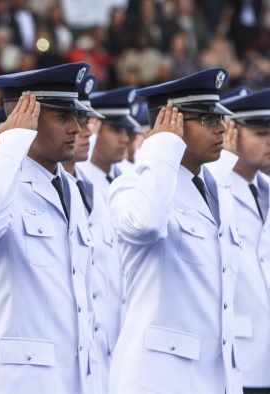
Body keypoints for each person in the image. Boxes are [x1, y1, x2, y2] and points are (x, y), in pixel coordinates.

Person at [0, 62, 100, 394]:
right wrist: (11, 142)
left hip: (71, 378)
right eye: (63, 117)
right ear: (27, 118)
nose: (76, 128)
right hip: (18, 382)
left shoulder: (70, 188)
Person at [107, 68, 243, 394]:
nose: (222, 127)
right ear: (173, 123)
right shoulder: (133, 185)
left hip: (213, 376)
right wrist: (161, 148)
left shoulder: (217, 191)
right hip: (159, 378)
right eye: (207, 119)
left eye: (219, 118)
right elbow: (144, 224)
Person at [62, 74, 124, 394]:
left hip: (103, 358)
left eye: (88, 122)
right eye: (74, 120)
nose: (84, 132)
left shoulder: (93, 193)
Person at [210, 89, 270, 393]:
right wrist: (225, 159)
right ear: (231, 131)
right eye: (260, 133)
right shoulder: (215, 188)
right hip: (238, 357)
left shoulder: (266, 187)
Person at [76, 85, 139, 198]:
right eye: (116, 129)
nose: (125, 139)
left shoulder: (126, 175)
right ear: (94, 128)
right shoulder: (79, 182)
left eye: (126, 131)